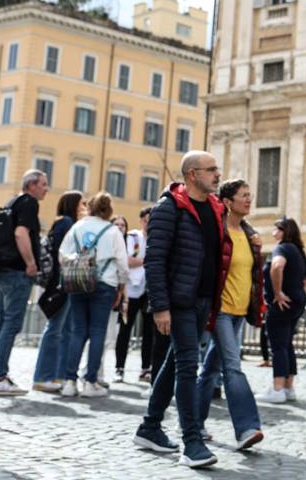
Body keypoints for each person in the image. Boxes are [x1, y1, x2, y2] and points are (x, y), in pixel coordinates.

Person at [133, 150, 230, 469]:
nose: (218, 174)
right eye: (211, 169)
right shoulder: (168, 208)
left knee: (176, 361)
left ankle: (149, 427)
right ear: (192, 174)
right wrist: (160, 306)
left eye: (217, 169)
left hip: (203, 300)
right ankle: (192, 441)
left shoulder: (216, 208)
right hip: (178, 302)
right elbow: (155, 260)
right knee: (189, 363)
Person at [197, 178, 265, 451]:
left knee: (210, 369)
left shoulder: (249, 234)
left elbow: (252, 276)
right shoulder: (217, 232)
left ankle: (194, 422)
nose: (249, 200)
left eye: (250, 195)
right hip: (221, 311)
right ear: (227, 202)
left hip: (239, 312)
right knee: (232, 367)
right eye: (243, 196)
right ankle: (247, 427)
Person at [0, 169, 49, 396]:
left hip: (2, 269)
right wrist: (30, 263)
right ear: (31, 185)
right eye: (43, 184)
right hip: (17, 270)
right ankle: (0, 376)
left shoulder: (12, 201)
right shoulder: (29, 202)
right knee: (10, 323)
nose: (46, 188)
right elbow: (21, 234)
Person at [59, 192, 127, 398]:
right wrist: (122, 287)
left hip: (79, 282)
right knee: (98, 332)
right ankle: (90, 382)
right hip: (105, 283)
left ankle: (69, 381)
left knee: (78, 330)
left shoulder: (77, 227)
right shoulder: (113, 231)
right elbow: (123, 264)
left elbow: (63, 254)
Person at [31, 191, 86, 392]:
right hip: (62, 283)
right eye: (81, 204)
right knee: (56, 330)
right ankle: (43, 376)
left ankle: (57, 376)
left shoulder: (64, 222)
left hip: (63, 283)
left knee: (63, 331)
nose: (84, 208)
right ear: (73, 205)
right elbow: (63, 256)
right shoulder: (66, 223)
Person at [257, 217, 306, 404]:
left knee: (278, 345)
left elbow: (277, 266)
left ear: (284, 231)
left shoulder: (281, 248)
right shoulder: (297, 250)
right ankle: (289, 388)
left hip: (282, 304)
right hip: (296, 302)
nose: (274, 230)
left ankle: (277, 389)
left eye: (277, 227)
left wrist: (278, 292)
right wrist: (301, 289)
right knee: (287, 343)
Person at [116, 207, 153, 384]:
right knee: (125, 330)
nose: (149, 224)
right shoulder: (132, 237)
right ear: (141, 221)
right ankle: (119, 368)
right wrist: (148, 262)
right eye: (146, 220)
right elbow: (127, 260)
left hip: (149, 289)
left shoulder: (156, 239)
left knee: (149, 331)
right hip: (131, 289)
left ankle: (146, 368)